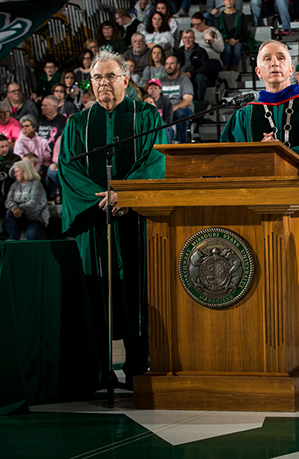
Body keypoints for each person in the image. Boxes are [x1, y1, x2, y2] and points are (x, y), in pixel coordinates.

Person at [221, 40, 299, 385]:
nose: (275, 63)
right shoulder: (242, 116)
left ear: (293, 68)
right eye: (267, 58)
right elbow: (224, 164)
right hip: (254, 220)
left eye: (282, 57)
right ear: (258, 71)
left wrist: (282, 154)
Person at [58, 50, 166, 387]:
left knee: (138, 291)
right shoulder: (78, 123)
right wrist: (102, 199)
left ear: (125, 79)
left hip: (135, 220)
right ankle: (97, 369)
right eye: (97, 78)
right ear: (90, 83)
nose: (103, 83)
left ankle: (138, 368)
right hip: (94, 223)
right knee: (96, 293)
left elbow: (156, 158)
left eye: (110, 76)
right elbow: (67, 168)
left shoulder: (146, 117)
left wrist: (126, 195)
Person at [4, 159, 49, 240]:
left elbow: (33, 205)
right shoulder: (15, 185)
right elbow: (8, 201)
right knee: (10, 214)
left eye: (17, 171)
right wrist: (14, 208)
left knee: (32, 234)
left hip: (36, 218)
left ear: (25, 171)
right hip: (19, 217)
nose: (15, 174)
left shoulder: (37, 185)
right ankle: (11, 241)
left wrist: (18, 209)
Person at [175, 30, 219, 103]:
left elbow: (205, 68)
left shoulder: (201, 51)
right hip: (181, 75)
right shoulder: (177, 52)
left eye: (190, 38)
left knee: (201, 78)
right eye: (185, 38)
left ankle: (199, 103)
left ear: (194, 39)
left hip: (195, 75)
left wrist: (191, 74)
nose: (187, 40)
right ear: (182, 40)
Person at [160, 54, 194, 143]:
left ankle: (182, 142)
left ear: (178, 65)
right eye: (167, 64)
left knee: (180, 113)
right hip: (165, 110)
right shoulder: (161, 80)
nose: (169, 66)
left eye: (172, 63)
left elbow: (188, 100)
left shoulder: (184, 80)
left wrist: (173, 108)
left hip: (182, 109)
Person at [215, 0, 248, 72]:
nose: (229, 1)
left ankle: (234, 71)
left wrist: (236, 40)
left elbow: (244, 31)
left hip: (238, 41)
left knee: (237, 47)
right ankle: (225, 70)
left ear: (234, 1)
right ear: (223, 2)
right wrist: (226, 40)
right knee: (227, 48)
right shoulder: (219, 17)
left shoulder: (240, 15)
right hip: (224, 42)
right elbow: (217, 32)